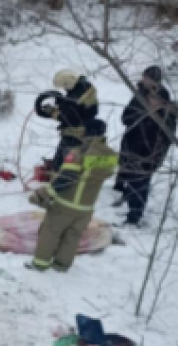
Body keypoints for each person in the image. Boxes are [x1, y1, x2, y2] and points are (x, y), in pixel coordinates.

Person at [27, 118, 118, 272]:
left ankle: (40, 264)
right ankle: (61, 265)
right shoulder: (110, 156)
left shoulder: (79, 153)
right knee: (72, 237)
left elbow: (66, 177)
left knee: (50, 232)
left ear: (86, 132)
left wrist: (43, 194)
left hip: (66, 204)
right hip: (86, 208)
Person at [114, 66, 176, 226]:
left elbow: (167, 131)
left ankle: (134, 216)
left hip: (149, 150)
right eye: (144, 77)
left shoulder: (164, 101)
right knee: (130, 176)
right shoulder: (139, 95)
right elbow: (126, 116)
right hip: (132, 144)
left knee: (140, 181)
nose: (144, 80)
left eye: (148, 78)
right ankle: (128, 201)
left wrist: (156, 112)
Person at [35, 70, 99, 171]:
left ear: (68, 83)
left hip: (75, 132)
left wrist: (52, 112)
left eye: (64, 87)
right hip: (87, 126)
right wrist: (62, 103)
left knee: (65, 157)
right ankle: (59, 165)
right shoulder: (85, 87)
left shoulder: (74, 98)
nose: (64, 89)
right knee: (69, 153)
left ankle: (58, 172)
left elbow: (68, 118)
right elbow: (79, 110)